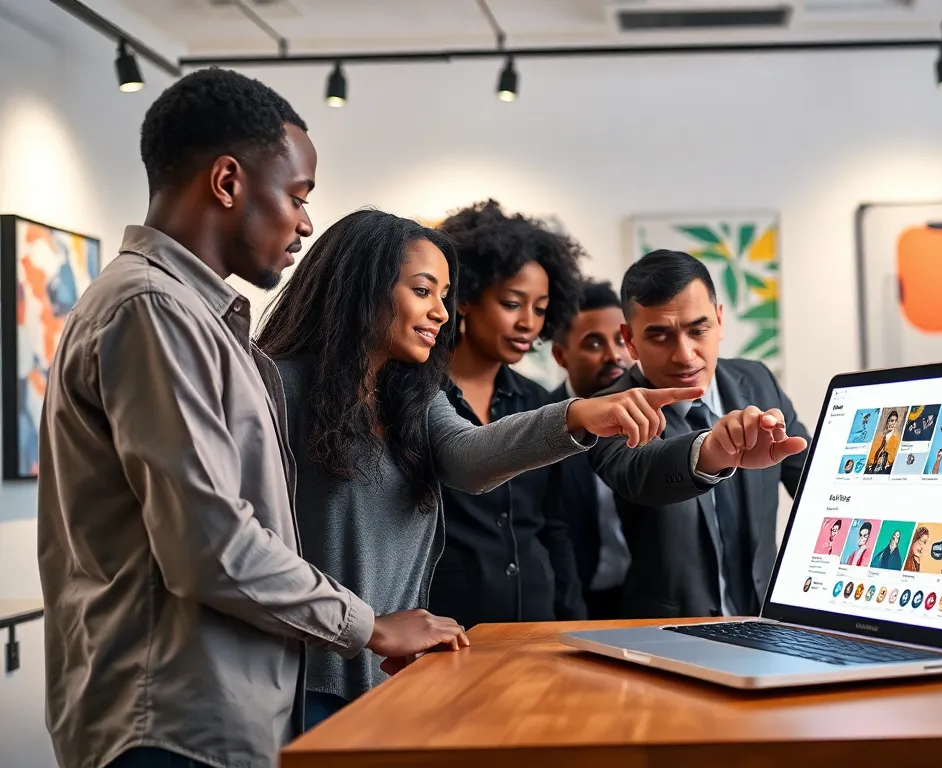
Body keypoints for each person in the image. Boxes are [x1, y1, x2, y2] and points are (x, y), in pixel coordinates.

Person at [35, 69, 469, 768]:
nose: (304, 222)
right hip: (173, 727)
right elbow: (211, 545)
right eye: (297, 196)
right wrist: (370, 627)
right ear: (229, 182)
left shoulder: (197, 321)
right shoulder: (153, 310)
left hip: (216, 720)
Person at [255, 210, 688, 724]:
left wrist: (577, 416)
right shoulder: (274, 388)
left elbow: (471, 459)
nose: (441, 312)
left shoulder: (414, 395)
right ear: (363, 287)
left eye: (443, 294)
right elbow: (245, 549)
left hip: (390, 676)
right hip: (299, 681)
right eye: (422, 291)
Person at [427, 201, 695, 629]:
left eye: (540, 308)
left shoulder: (539, 403)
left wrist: (571, 621)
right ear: (465, 299)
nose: (527, 323)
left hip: (536, 621)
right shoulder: (420, 397)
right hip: (446, 623)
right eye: (513, 304)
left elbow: (554, 527)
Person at [589, 250, 810, 619]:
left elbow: (811, 482)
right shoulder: (607, 409)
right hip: (663, 635)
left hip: (766, 622)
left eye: (698, 329)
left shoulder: (758, 380)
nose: (685, 355)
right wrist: (712, 449)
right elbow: (642, 475)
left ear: (720, 320)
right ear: (630, 340)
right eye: (660, 337)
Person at [547, 279, 635, 618]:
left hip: (644, 601)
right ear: (560, 354)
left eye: (620, 340)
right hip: (570, 608)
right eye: (594, 343)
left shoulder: (657, 416)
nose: (613, 355)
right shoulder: (539, 426)